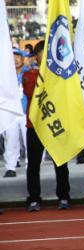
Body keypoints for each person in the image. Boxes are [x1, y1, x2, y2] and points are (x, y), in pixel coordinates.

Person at [23, 41, 71, 211]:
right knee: (33, 165)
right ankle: (34, 198)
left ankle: (64, 196)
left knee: (60, 161)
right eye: (42, 53)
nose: (45, 57)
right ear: (36, 56)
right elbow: (31, 92)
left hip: (55, 123)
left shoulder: (60, 74)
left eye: (48, 53)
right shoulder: (29, 75)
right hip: (35, 126)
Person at [3, 48, 28, 178]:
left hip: (26, 111)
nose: (15, 59)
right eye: (12, 57)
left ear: (22, 58)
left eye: (17, 56)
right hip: (12, 112)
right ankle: (10, 167)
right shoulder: (5, 75)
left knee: (29, 140)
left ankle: (32, 165)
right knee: (10, 140)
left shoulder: (29, 72)